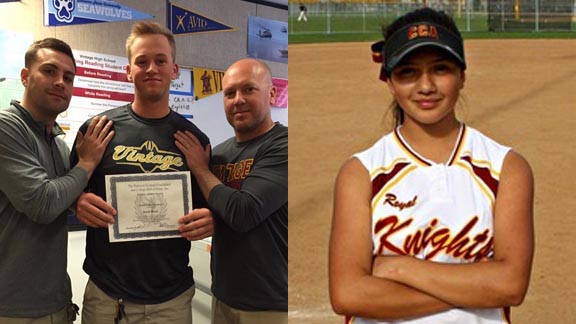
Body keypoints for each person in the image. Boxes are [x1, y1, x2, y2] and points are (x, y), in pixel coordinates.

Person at [329, 7, 534, 324]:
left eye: (441, 69)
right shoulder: (361, 172)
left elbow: (511, 285)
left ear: (462, 75)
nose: (425, 86)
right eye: (408, 72)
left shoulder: (506, 167)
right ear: (390, 82)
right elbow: (348, 294)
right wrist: (477, 285)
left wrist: (399, 268)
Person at [70, 21, 213, 324]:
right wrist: (76, 202)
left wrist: (211, 220)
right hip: (107, 295)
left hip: (171, 299)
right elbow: (68, 190)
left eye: (161, 60)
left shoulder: (195, 140)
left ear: (174, 69)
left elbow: (208, 206)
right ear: (128, 71)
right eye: (142, 61)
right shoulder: (96, 130)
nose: (151, 68)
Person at [0, 38, 114, 323]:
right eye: (49, 71)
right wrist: (87, 163)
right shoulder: (6, 127)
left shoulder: (59, 144)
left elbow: (61, 194)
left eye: (68, 77)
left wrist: (78, 201)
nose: (60, 82)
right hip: (13, 309)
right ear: (25, 77)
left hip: (56, 302)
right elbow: (43, 203)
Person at [174, 58, 287, 324]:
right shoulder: (220, 153)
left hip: (269, 304)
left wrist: (201, 170)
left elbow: (243, 211)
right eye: (230, 93)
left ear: (271, 93)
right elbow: (213, 209)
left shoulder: (283, 145)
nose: (238, 100)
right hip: (224, 296)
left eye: (249, 89)